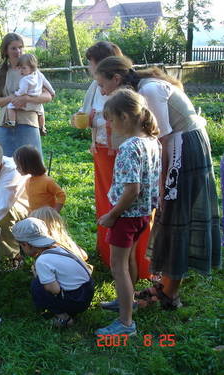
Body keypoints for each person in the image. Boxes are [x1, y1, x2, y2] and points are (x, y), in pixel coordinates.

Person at [95, 56, 221, 311]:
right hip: (179, 147)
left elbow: (161, 139)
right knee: (171, 215)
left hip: (184, 150)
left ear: (116, 79)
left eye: (102, 84)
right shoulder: (144, 88)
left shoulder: (148, 91)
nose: (101, 90)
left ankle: (169, 293)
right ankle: (165, 286)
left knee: (176, 215)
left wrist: (162, 187)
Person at [71, 42, 148, 277]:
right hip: (103, 150)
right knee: (107, 201)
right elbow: (87, 112)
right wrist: (82, 120)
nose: (88, 66)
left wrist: (101, 121)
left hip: (123, 151)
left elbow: (131, 119)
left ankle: (138, 262)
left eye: (91, 61)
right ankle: (109, 255)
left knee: (127, 204)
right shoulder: (97, 85)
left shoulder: (129, 90)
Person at [94, 89, 161, 336]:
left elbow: (132, 189)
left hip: (126, 216)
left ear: (124, 116)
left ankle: (125, 323)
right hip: (143, 215)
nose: (109, 125)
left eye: (110, 120)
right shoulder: (151, 141)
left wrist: (113, 215)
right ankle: (128, 302)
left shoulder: (129, 147)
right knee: (129, 259)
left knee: (118, 266)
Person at [12, 217, 94, 328]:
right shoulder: (59, 248)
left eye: (21, 246)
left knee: (37, 285)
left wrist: (38, 276)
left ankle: (64, 318)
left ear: (26, 244)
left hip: (77, 300)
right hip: (87, 292)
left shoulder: (42, 261)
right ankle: (68, 311)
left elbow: (54, 289)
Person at [0, 33, 53, 157]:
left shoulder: (32, 70)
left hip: (28, 121)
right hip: (5, 123)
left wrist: (26, 98)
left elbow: (48, 96)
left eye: (20, 47)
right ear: (6, 50)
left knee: (31, 165)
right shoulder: (0, 71)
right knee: (3, 164)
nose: (18, 51)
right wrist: (11, 98)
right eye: (13, 48)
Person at [5, 54, 56, 136]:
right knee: (41, 112)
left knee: (10, 106)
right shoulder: (39, 75)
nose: (21, 70)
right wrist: (52, 92)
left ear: (32, 68)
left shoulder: (25, 79)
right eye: (20, 68)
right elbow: (47, 84)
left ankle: (12, 122)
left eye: (24, 68)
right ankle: (42, 127)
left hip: (25, 104)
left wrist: (17, 94)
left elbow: (23, 91)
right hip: (37, 102)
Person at [13, 145, 66, 213]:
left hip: (47, 217)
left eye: (18, 166)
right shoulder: (28, 181)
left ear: (28, 165)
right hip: (35, 216)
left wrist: (55, 212)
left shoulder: (47, 181)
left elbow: (61, 195)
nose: (16, 168)